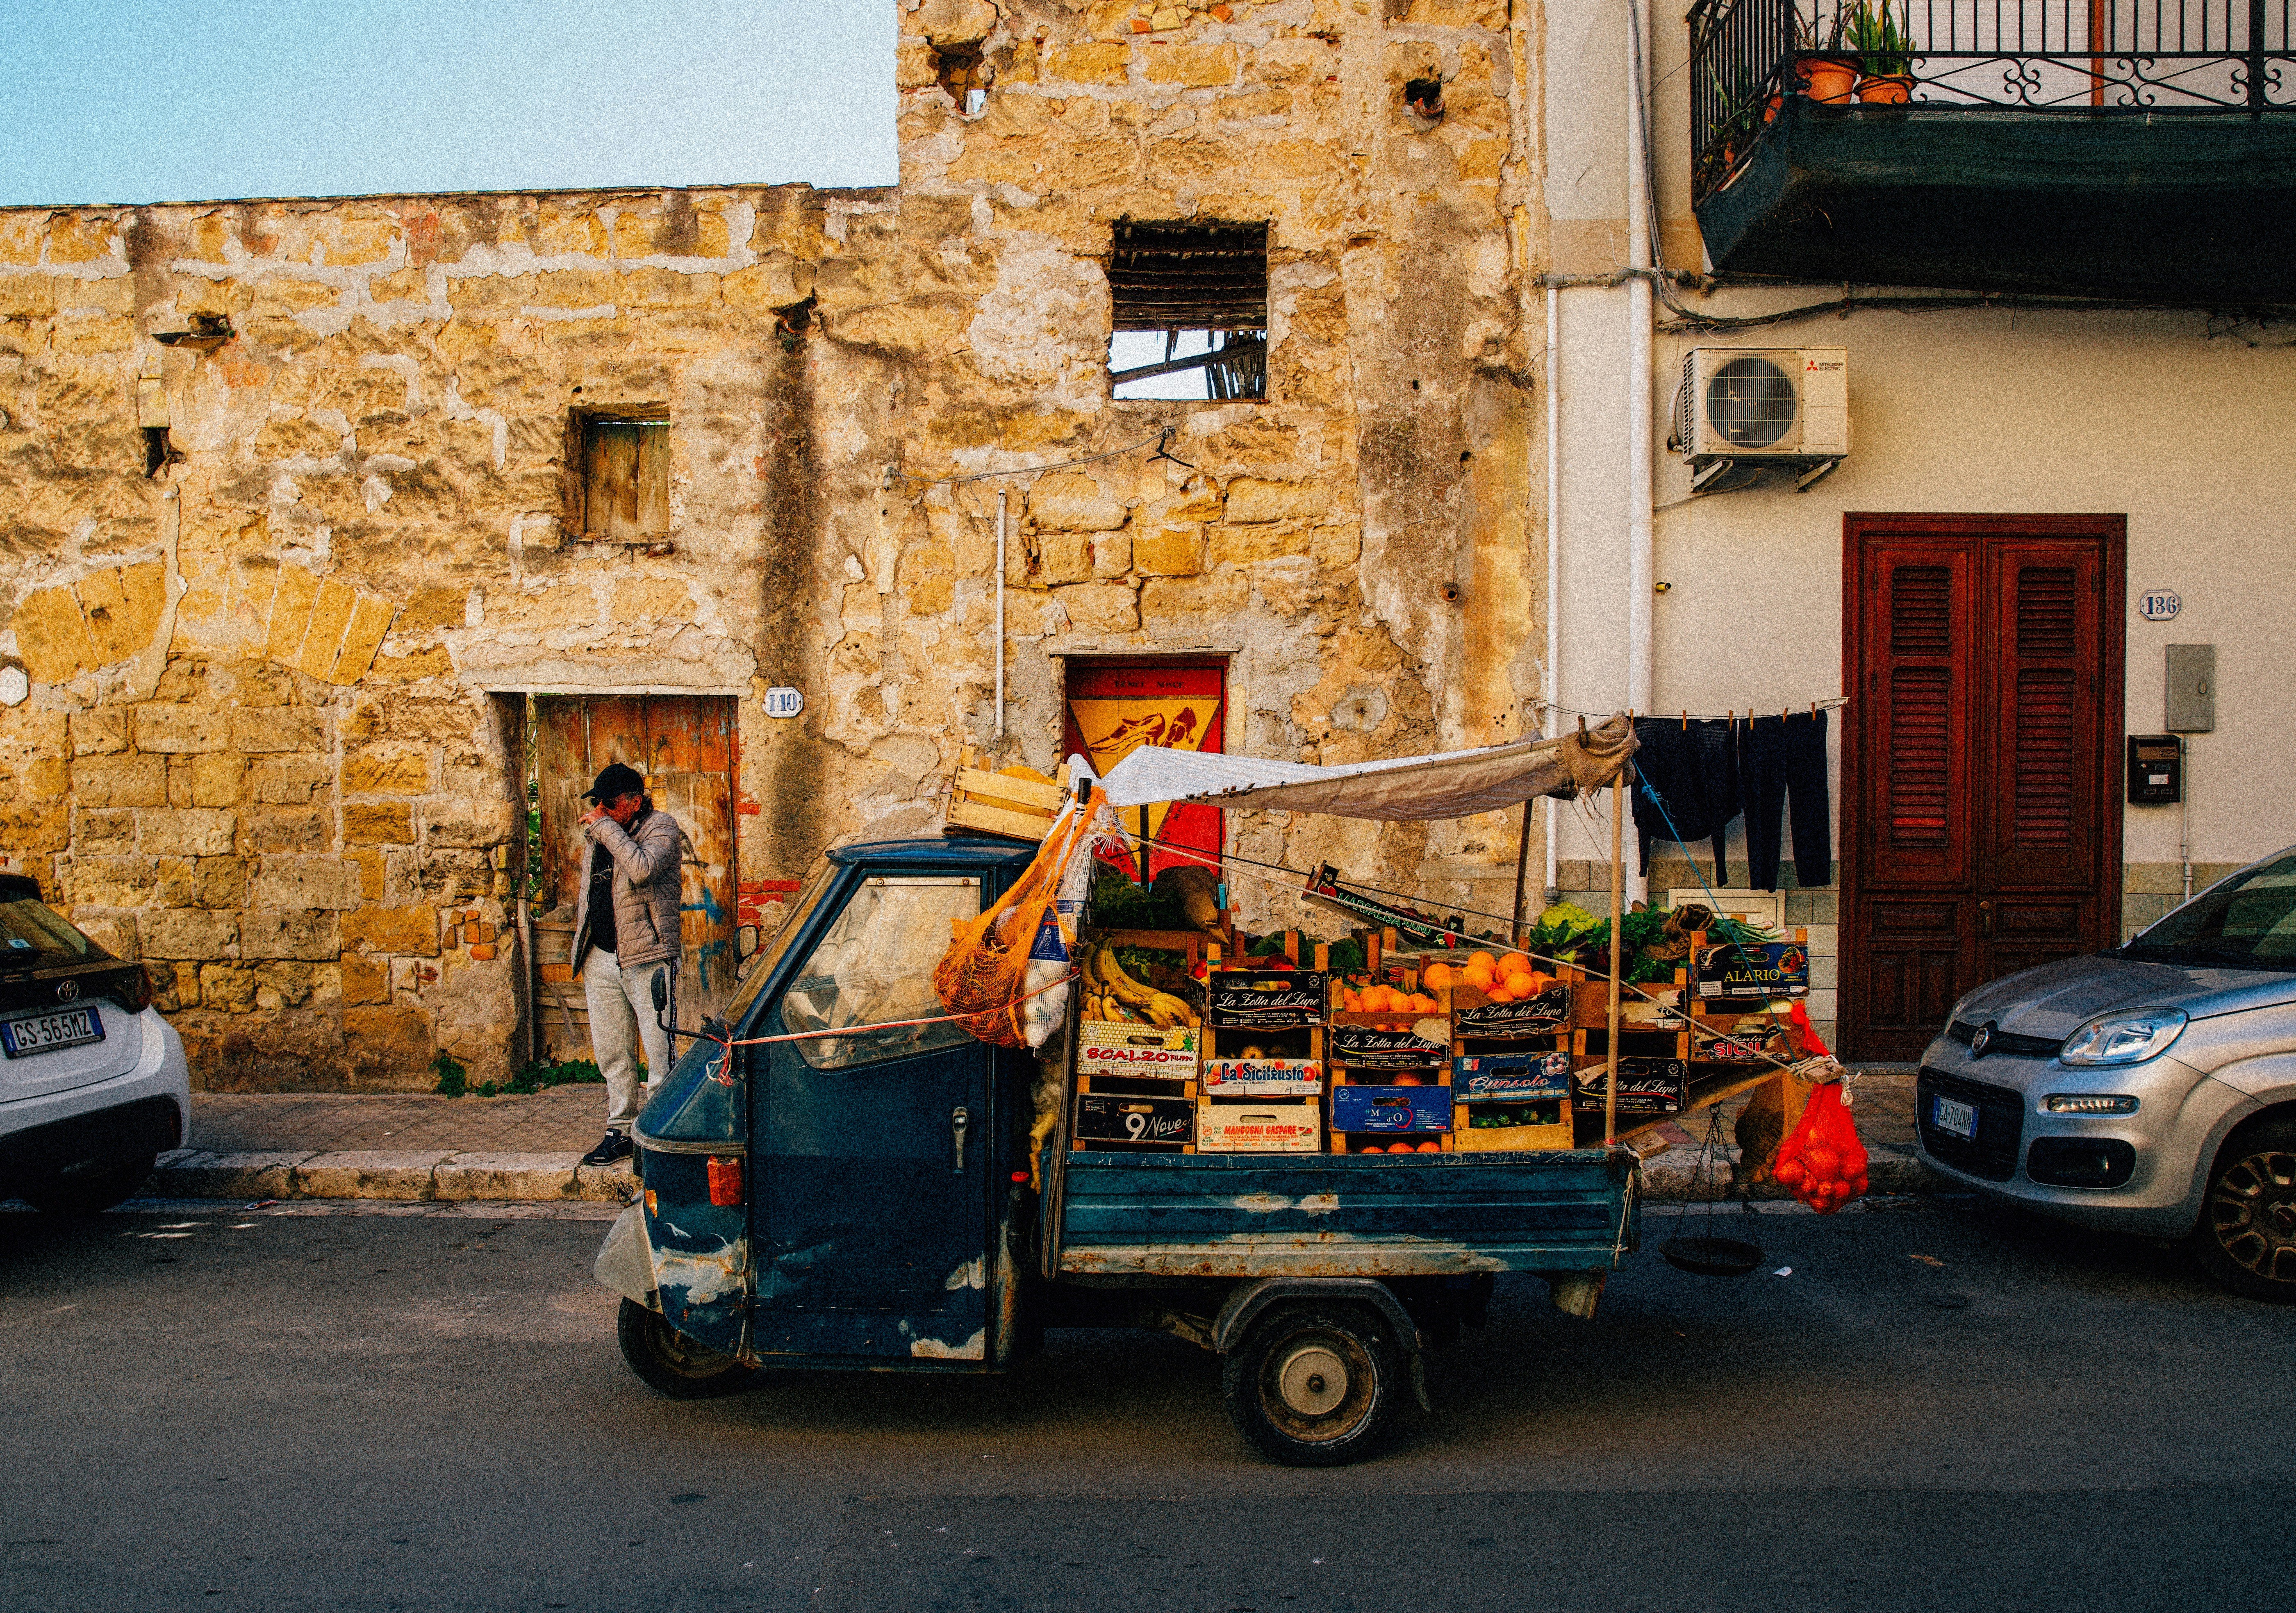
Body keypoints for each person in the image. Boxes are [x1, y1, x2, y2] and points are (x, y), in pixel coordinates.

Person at [571, 762, 685, 1167]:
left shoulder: (662, 827)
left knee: (659, 1052)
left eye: (610, 803)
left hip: (647, 956)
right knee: (612, 1051)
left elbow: (641, 869)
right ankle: (619, 1129)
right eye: (597, 802)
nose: (600, 809)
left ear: (636, 802)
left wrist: (605, 828)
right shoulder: (603, 830)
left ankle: (659, 1137)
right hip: (600, 956)